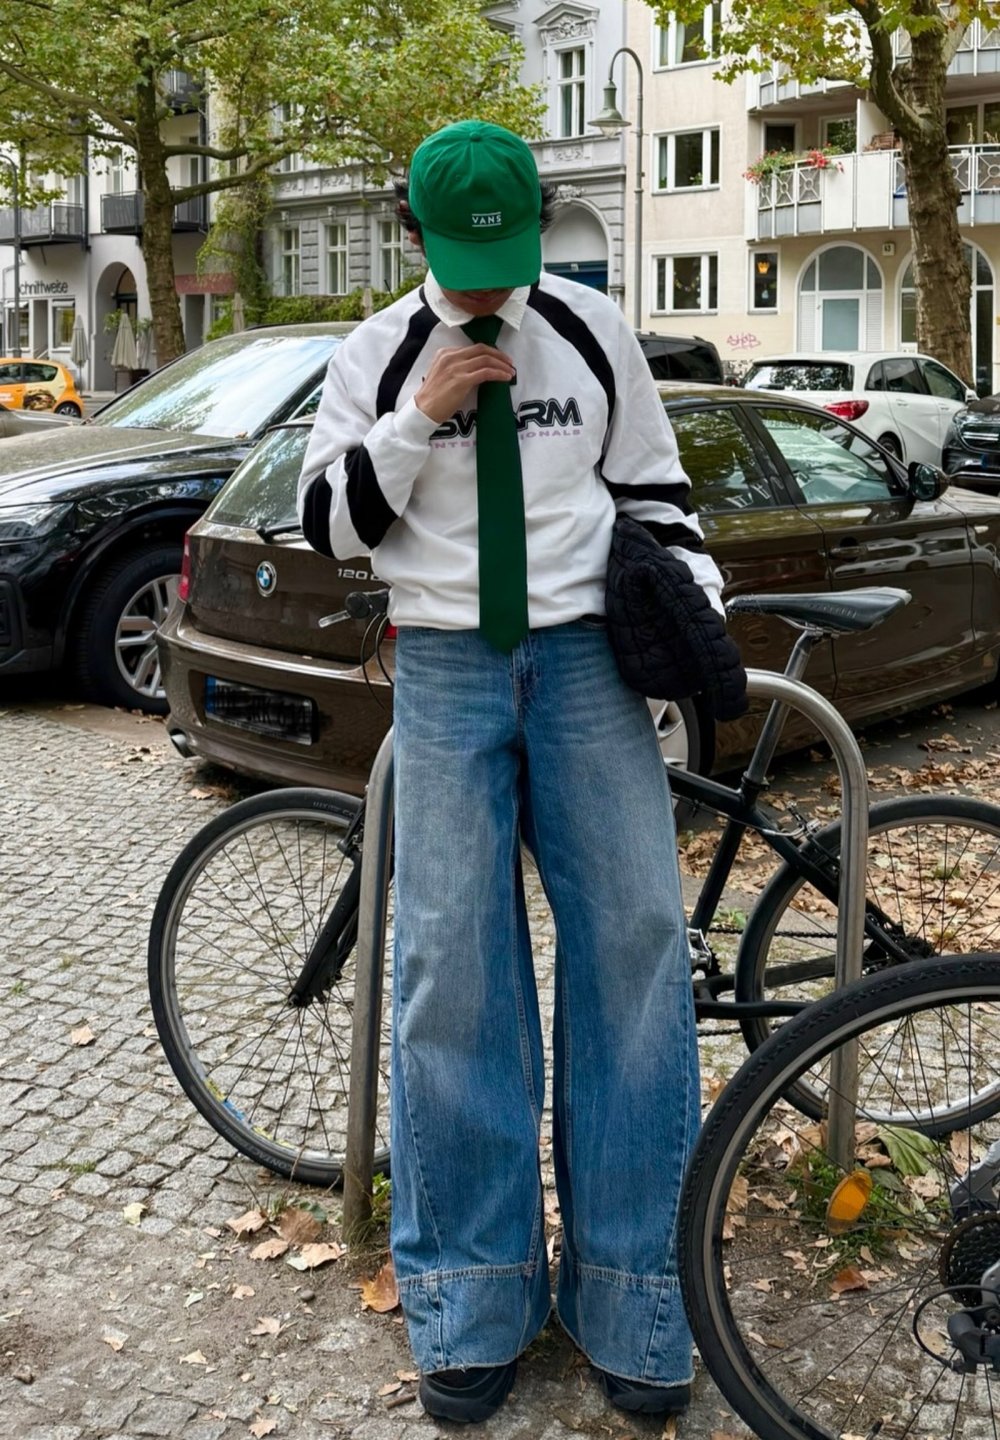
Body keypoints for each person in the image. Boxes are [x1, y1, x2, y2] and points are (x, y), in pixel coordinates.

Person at [298, 119, 726, 1426]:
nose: (492, 285)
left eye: (510, 254)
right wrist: (416, 421)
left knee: (637, 960)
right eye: (467, 258)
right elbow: (325, 527)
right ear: (415, 235)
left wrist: (695, 615)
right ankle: (472, 1299)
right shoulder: (375, 354)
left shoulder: (590, 333)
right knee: (454, 978)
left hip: (590, 667)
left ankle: (637, 1301)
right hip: (444, 672)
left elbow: (658, 499)